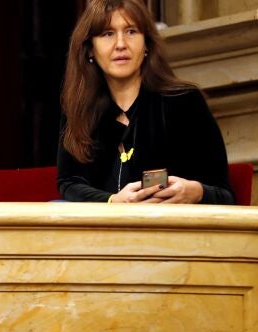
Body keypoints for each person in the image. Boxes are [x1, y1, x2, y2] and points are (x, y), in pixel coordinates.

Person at [56, 0, 234, 204]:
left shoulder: (184, 102)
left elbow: (226, 195)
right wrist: (113, 201)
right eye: (108, 33)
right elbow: (69, 182)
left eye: (131, 31)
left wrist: (198, 191)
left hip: (170, 227)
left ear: (147, 44)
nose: (121, 44)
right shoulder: (79, 109)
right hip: (102, 230)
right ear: (90, 50)